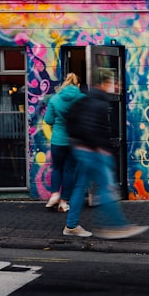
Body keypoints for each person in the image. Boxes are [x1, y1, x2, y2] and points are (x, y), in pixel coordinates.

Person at [62, 71, 148, 240]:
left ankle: (71, 225)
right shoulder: (99, 103)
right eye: (115, 84)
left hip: (81, 149)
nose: (118, 88)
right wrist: (103, 149)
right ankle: (116, 226)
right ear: (105, 84)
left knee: (80, 187)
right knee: (107, 187)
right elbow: (96, 129)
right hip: (94, 151)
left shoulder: (84, 100)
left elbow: (70, 120)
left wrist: (76, 143)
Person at [43, 73, 85, 212]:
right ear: (78, 85)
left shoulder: (55, 99)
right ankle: (64, 201)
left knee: (57, 168)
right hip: (75, 140)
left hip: (58, 140)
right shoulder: (82, 99)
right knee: (69, 170)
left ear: (65, 84)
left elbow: (48, 120)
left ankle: (55, 194)